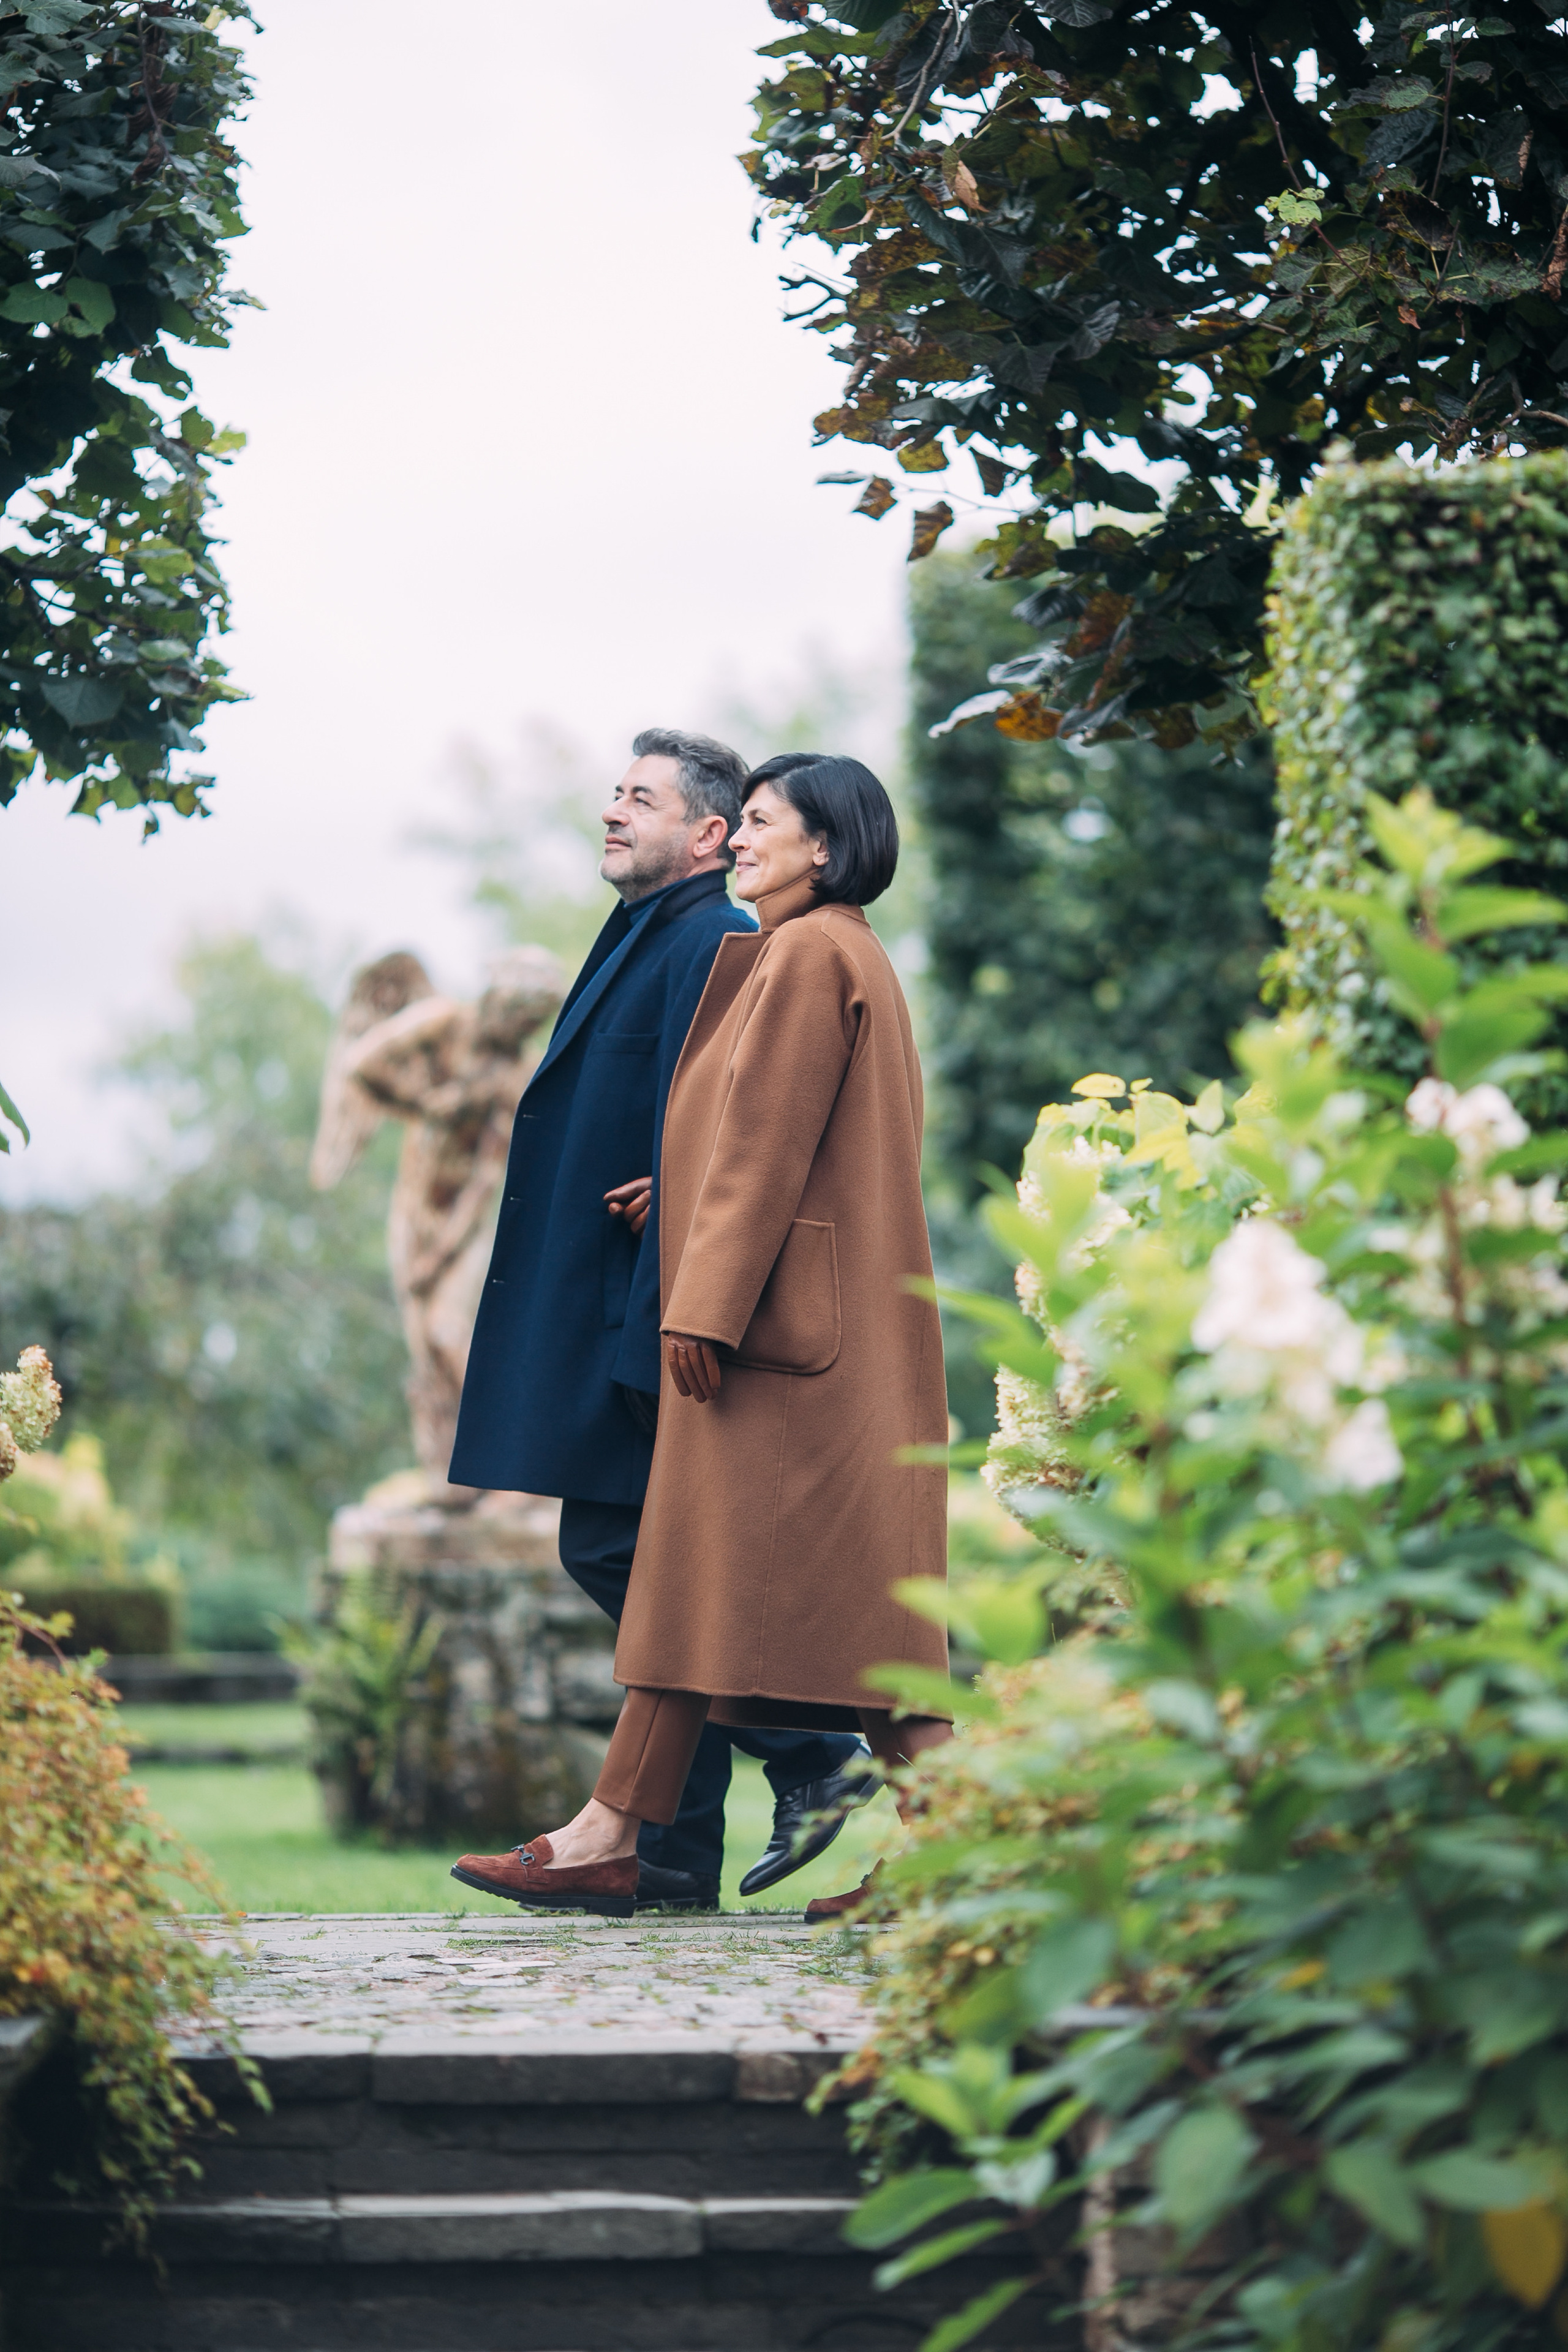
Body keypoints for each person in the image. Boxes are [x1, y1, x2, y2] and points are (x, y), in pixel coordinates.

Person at [452, 752, 953, 1924]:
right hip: (815, 1333)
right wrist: (678, 1204)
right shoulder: (838, 952)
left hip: (778, 1342)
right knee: (711, 1589)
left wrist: (700, 1307)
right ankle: (614, 1836)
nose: (744, 840)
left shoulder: (809, 953)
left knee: (781, 1598)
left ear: (824, 846)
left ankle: (951, 1845)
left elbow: (766, 1148)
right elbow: (768, 1145)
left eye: (764, 823)